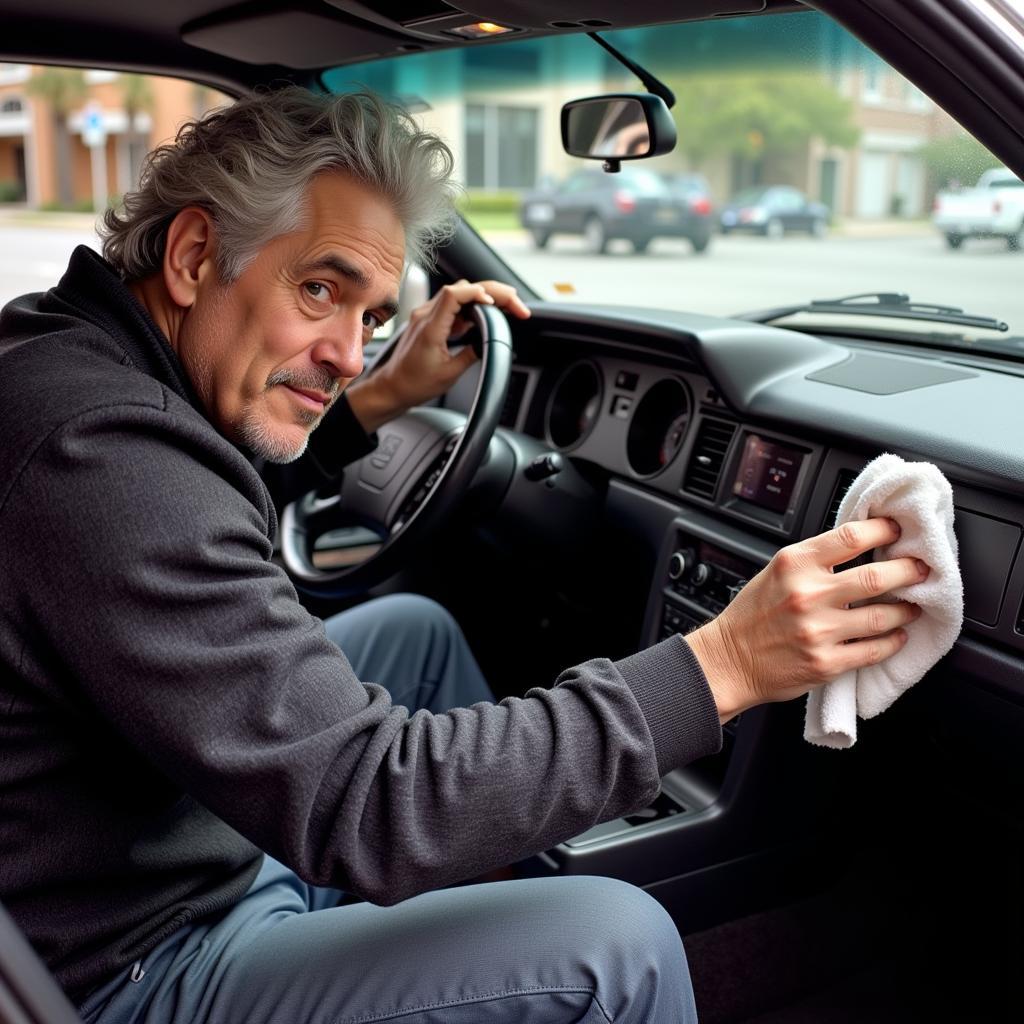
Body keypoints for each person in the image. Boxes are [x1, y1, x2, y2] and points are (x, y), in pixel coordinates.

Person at [0, 88, 924, 1024]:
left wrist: (379, 405)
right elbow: (369, 802)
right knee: (619, 947)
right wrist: (725, 663)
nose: (350, 355)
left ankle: (472, 950)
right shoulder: (104, 459)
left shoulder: (71, 363)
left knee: (417, 634)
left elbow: (188, 524)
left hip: (153, 844)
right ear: (196, 256)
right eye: (320, 289)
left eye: (370, 318)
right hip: (133, 963)